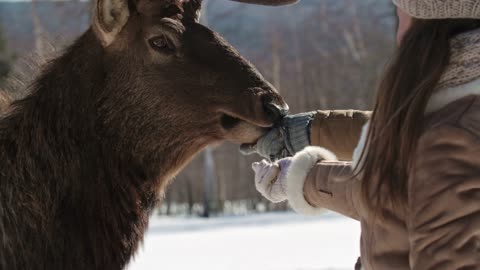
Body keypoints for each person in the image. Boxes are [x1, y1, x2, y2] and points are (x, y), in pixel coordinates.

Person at [244, 1, 480, 269]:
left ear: (430, 23)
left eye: (400, 14)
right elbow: (392, 197)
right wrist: (300, 177)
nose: (398, 33)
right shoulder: (448, 121)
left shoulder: (453, 136)